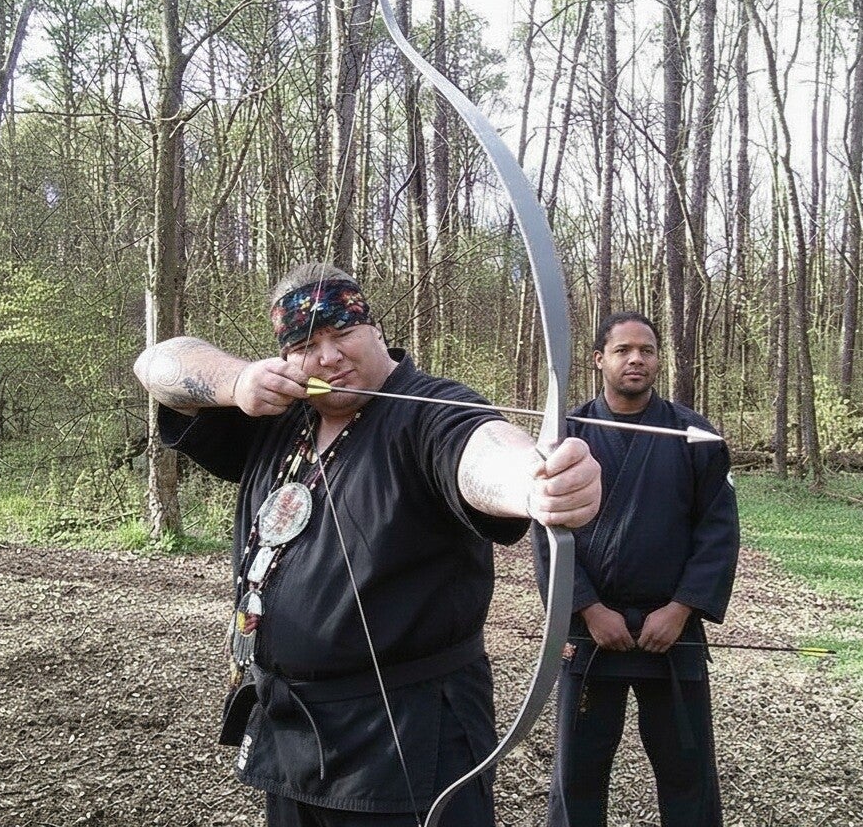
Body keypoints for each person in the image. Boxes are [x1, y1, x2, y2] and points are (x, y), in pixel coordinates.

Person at [133, 262, 603, 827]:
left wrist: (536, 483)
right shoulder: (278, 414)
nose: (328, 357)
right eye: (306, 344)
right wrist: (237, 384)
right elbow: (156, 362)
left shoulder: (428, 409)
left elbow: (479, 447)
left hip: (408, 744)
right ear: (285, 359)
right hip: (292, 737)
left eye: (343, 334)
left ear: (375, 330)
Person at [535, 311, 740, 827]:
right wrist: (585, 607)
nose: (636, 360)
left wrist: (680, 608)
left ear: (657, 359)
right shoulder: (567, 434)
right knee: (578, 772)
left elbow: (717, 530)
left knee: (687, 770)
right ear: (599, 359)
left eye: (646, 350)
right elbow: (547, 530)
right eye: (623, 350)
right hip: (591, 633)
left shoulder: (694, 434)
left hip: (671, 632)